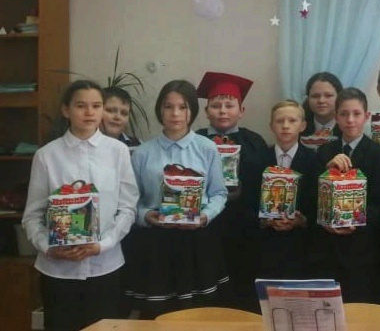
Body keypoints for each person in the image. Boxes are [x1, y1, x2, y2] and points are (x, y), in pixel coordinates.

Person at [22, 80, 139, 331]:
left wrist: (103, 245)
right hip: (58, 271)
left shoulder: (118, 151)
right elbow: (31, 216)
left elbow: (128, 208)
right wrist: (48, 248)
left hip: (106, 268)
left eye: (96, 106)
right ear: (66, 110)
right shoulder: (46, 155)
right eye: (80, 106)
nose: (89, 112)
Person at [124, 80, 229, 318]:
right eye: (168, 106)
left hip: (196, 241)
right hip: (155, 243)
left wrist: (205, 216)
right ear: (159, 110)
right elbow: (131, 200)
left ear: (192, 111)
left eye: (183, 107)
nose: (175, 113)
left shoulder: (207, 148)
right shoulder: (142, 152)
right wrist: (145, 216)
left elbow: (219, 193)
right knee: (157, 315)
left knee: (197, 315)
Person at [194, 71, 269, 311]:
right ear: (206, 111)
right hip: (205, 227)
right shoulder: (195, 141)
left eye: (229, 105)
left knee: (243, 291)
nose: (223, 111)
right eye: (216, 106)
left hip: (244, 228)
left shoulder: (254, 142)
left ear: (241, 110)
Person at [310, 88, 380, 303]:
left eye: (356, 114)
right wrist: (326, 171)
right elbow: (311, 195)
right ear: (336, 117)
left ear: (367, 116)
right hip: (327, 248)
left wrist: (357, 221)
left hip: (362, 249)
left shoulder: (379, 154)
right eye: (344, 114)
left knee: (358, 308)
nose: (350, 120)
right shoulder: (324, 151)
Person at [258, 100, 319, 280]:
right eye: (279, 121)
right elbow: (248, 201)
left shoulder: (315, 160)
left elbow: (317, 202)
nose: (285, 126)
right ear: (271, 126)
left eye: (292, 121)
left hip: (301, 246)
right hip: (266, 245)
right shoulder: (258, 159)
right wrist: (265, 221)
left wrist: (302, 220)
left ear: (303, 125)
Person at [300, 72, 343, 150]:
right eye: (315, 96)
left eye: (328, 95)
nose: (321, 100)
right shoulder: (298, 129)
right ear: (308, 98)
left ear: (339, 97)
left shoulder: (348, 128)